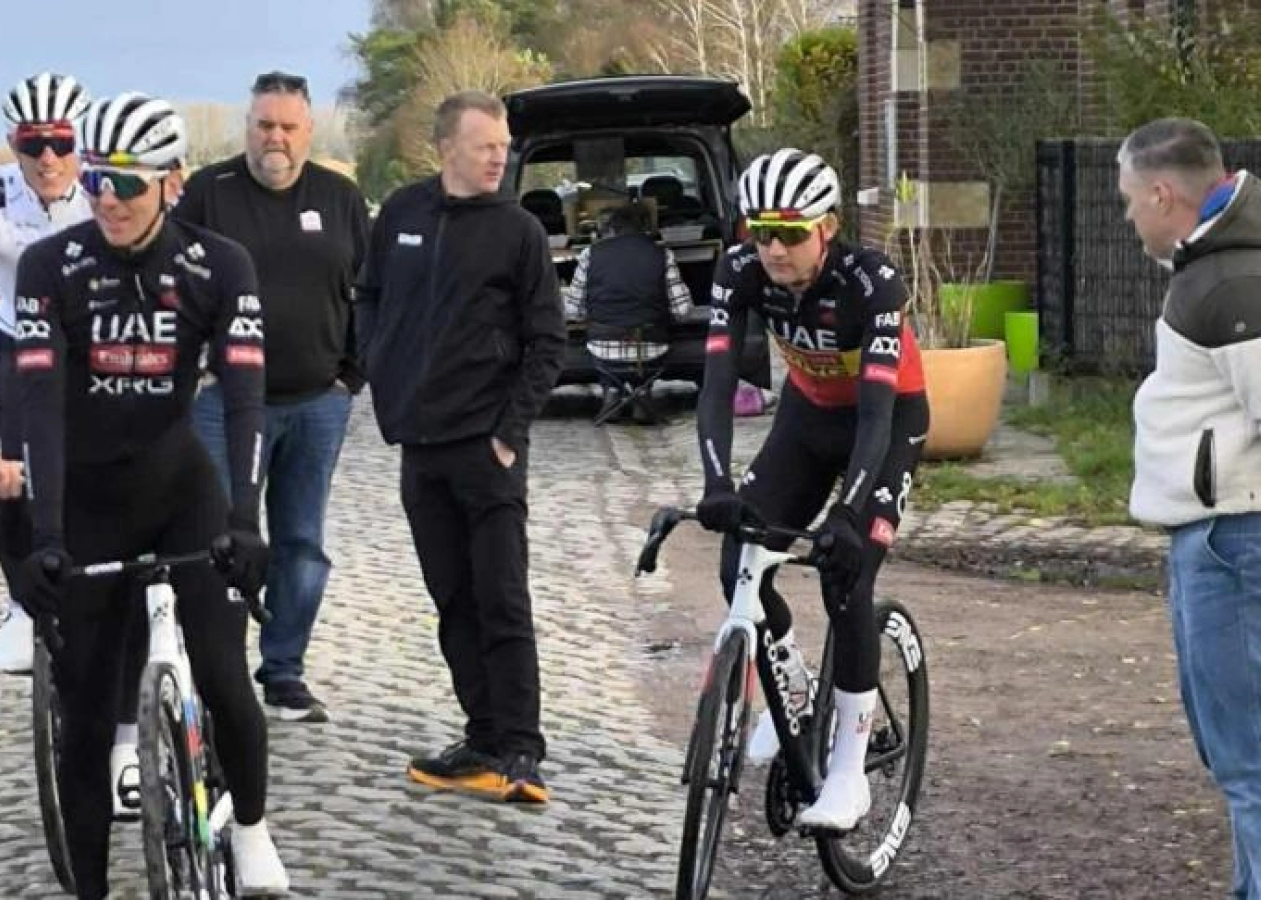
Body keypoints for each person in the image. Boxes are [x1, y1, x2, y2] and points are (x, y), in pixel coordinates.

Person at [12, 91, 287, 899]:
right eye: (97, 178)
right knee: (89, 715)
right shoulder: (49, 268)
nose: (106, 199)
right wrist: (47, 532)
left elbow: (245, 399)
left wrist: (244, 517)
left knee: (226, 675)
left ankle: (252, 829)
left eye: (127, 185)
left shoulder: (219, 265)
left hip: (182, 493)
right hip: (90, 503)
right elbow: (39, 408)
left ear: (173, 183)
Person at [1120, 117, 1261, 900]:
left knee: (1254, 757)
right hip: (1221, 533)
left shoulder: (1235, 282)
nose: (1127, 216)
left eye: (1129, 200)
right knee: (1236, 747)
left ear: (1162, 191)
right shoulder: (1217, 265)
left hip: (1237, 536)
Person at [695, 148, 928, 831]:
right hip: (806, 417)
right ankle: (792, 684)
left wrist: (851, 514)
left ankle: (850, 779)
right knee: (739, 560)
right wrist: (714, 481)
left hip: (884, 422)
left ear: (827, 227)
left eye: (790, 233)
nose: (772, 248)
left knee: (845, 580)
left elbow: (880, 413)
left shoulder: (872, 281)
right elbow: (715, 384)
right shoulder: (739, 270)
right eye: (758, 230)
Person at [355, 90, 564, 804]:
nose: (499, 156)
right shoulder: (404, 217)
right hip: (421, 445)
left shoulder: (520, 231)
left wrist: (510, 433)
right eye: (486, 146)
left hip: (488, 449)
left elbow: (549, 342)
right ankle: (481, 736)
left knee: (501, 597)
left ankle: (522, 750)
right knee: (452, 599)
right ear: (445, 148)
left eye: (503, 146)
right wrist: (381, 377)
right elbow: (370, 297)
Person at [174, 71, 369, 723]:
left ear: (308, 130)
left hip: (317, 401)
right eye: (264, 125)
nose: (275, 138)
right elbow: (169, 282)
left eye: (288, 126)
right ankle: (215, 671)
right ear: (247, 128)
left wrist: (352, 377)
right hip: (221, 403)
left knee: (301, 543)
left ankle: (283, 672)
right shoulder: (209, 194)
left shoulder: (341, 198)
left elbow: (371, 295)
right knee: (218, 537)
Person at [0, 71, 92, 675]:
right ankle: (21, 604)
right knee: (10, 473)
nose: (49, 158)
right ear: (12, 143)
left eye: (61, 142)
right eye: (32, 145)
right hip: (13, 340)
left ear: (79, 140)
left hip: (88, 344)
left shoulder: (107, 188)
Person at [561, 200, 694, 423]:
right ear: (646, 229)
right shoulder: (662, 255)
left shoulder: (590, 254)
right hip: (652, 347)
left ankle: (612, 391)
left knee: (606, 354)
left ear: (610, 229)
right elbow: (683, 310)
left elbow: (572, 310)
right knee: (649, 349)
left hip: (603, 347)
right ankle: (642, 393)